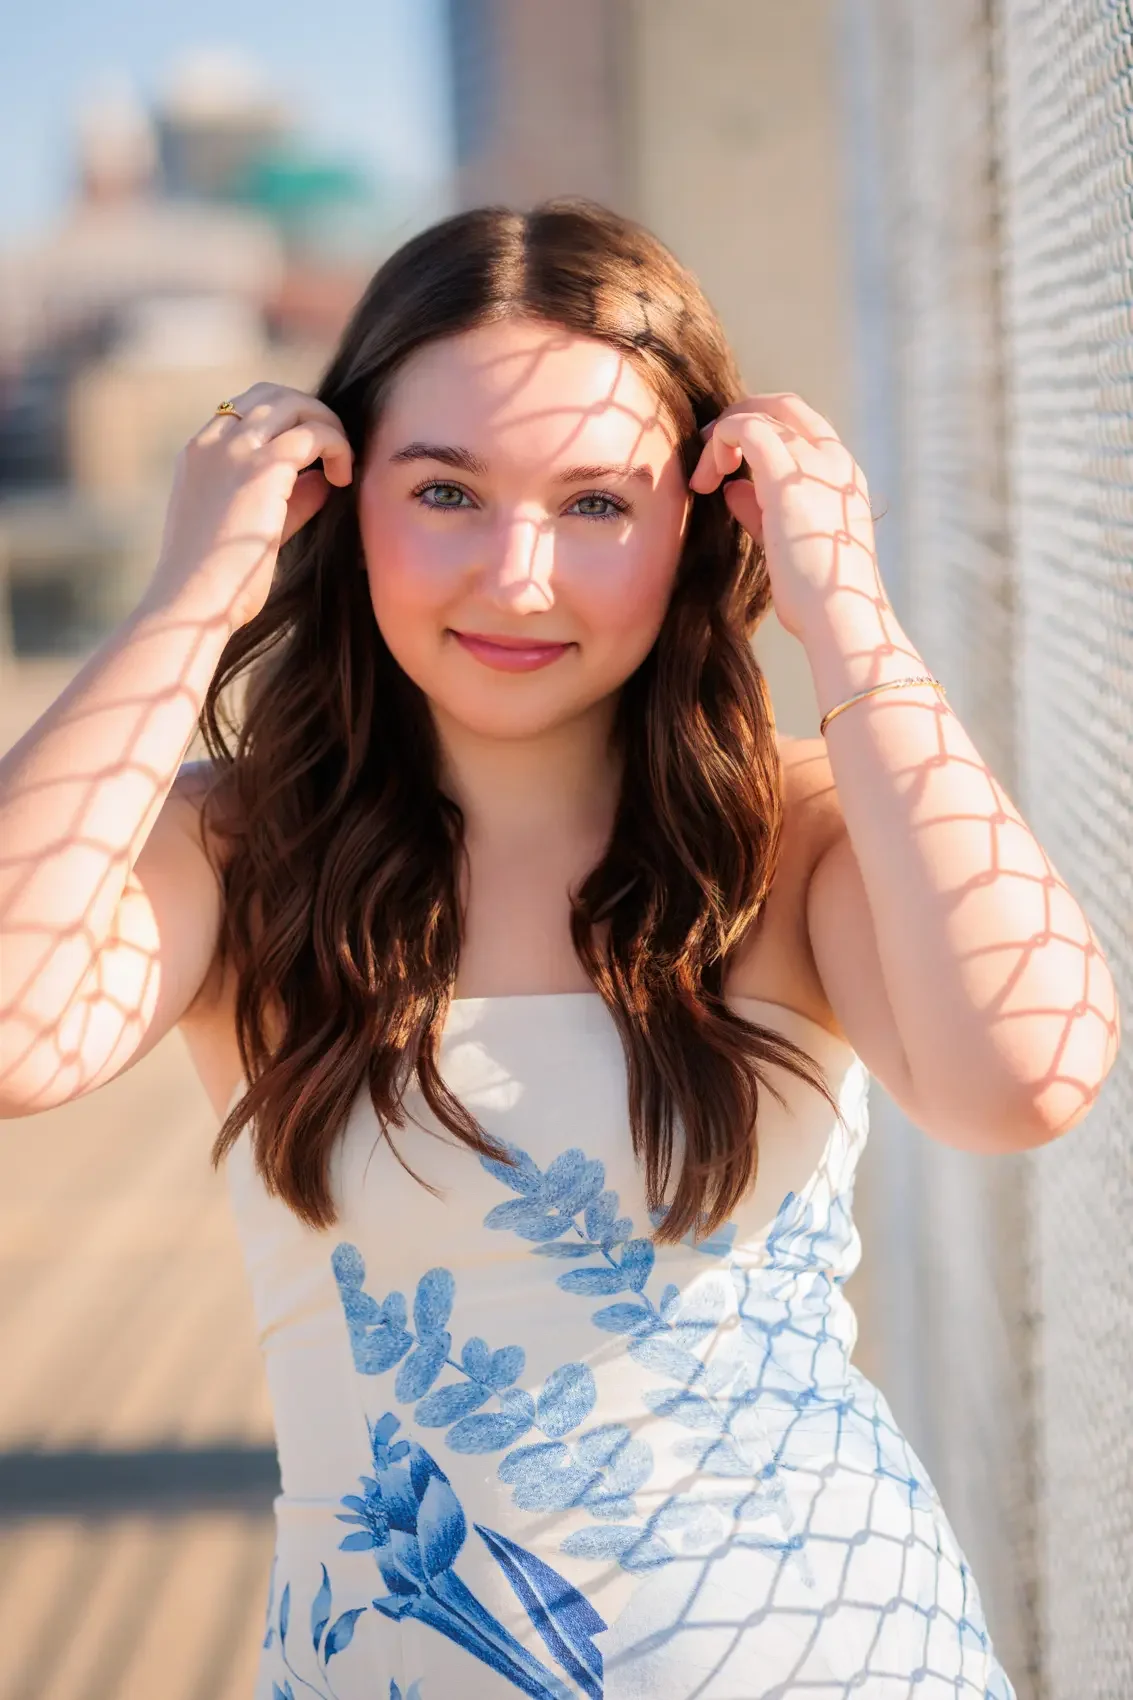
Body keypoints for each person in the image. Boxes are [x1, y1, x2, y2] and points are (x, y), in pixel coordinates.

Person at [0, 200, 1117, 1699]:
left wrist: (848, 609)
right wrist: (195, 588)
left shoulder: (790, 835)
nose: (520, 575)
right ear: (335, 505)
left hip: (832, 1659)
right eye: (447, 491)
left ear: (698, 522)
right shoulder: (241, 850)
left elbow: (1026, 1077)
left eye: (598, 503)